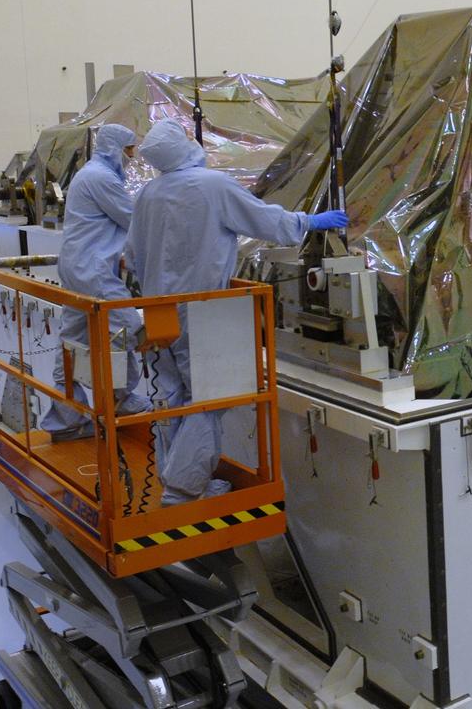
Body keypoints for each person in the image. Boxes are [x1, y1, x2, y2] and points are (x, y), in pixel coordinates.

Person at [126, 119, 348, 504]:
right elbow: (265, 221)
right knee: (213, 397)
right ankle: (182, 487)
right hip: (202, 311)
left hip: (156, 311)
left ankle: (179, 475)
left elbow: (131, 255)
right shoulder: (211, 186)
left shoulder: (149, 193)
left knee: (172, 394)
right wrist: (310, 221)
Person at [40, 123, 152, 439]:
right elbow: (133, 219)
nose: (131, 157)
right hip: (95, 270)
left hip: (77, 267)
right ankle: (121, 400)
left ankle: (66, 419)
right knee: (128, 330)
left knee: (72, 341)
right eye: (129, 150)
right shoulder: (102, 178)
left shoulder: (91, 174)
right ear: (114, 147)